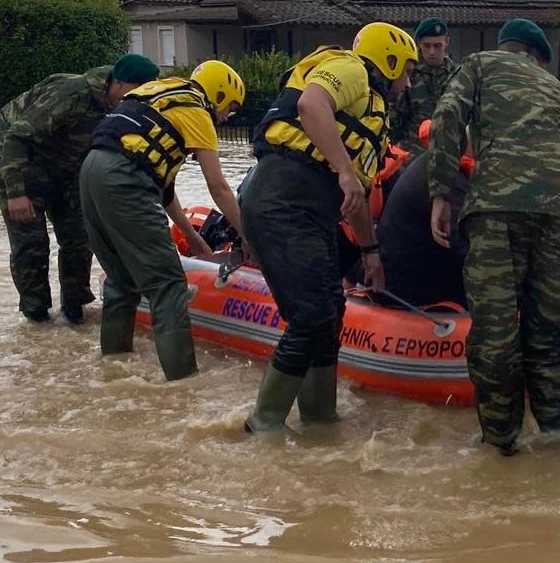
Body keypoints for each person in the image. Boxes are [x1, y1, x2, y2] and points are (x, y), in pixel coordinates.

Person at [242, 22, 418, 433]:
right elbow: (310, 105)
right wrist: (342, 170)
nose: (408, 83)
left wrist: (371, 253)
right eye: (406, 71)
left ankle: (320, 418)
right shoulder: (351, 68)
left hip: (311, 212)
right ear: (387, 62)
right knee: (311, 318)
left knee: (331, 313)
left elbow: (359, 195)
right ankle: (262, 425)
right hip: (281, 199)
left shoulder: (373, 120)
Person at [428, 18, 560, 456]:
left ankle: (501, 446)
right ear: (538, 57)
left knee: (496, 333)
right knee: (554, 331)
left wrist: (441, 191)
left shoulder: (480, 64)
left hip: (499, 207)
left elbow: (446, 117)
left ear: (505, 48)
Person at [79, 60, 246, 381]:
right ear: (219, 94)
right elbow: (220, 187)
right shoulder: (197, 112)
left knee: (121, 281)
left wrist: (194, 239)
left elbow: (162, 186)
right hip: (123, 178)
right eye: (231, 109)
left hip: (91, 170)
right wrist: (249, 236)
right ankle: (183, 384)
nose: (227, 117)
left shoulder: (160, 93)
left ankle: (114, 370)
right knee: (169, 286)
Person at [0, 54, 161, 325]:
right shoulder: (71, 93)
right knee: (32, 244)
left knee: (79, 238)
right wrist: (16, 193)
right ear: (119, 84)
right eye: (138, 91)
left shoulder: (127, 106)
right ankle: (37, 318)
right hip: (21, 164)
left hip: (68, 170)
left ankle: (74, 311)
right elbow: (16, 137)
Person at [377, 119, 472, 307]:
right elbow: (464, 248)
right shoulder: (448, 179)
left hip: (410, 272)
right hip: (412, 290)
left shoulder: (438, 163)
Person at [391, 16, 458, 154]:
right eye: (427, 46)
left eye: (437, 45)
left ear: (447, 42)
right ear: (419, 44)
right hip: (412, 152)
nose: (432, 52)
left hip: (447, 154)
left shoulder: (458, 76)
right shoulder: (408, 74)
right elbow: (394, 116)